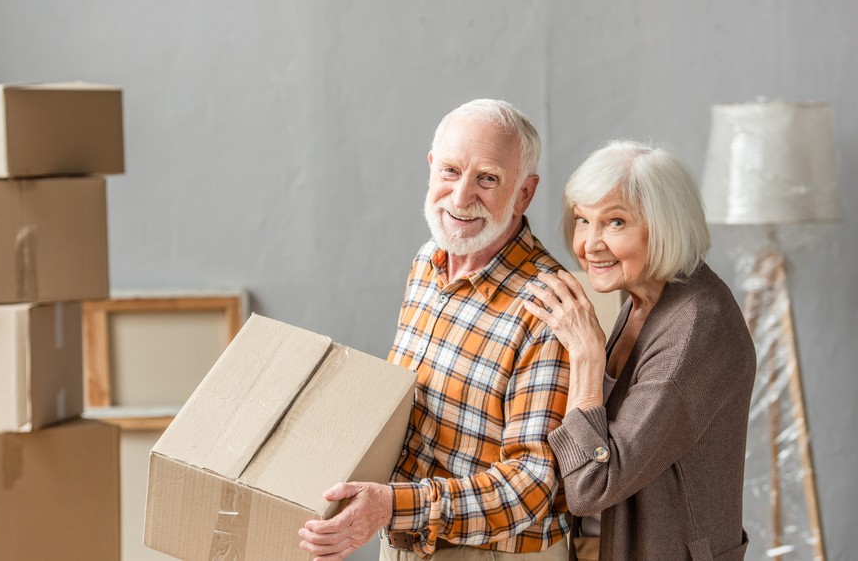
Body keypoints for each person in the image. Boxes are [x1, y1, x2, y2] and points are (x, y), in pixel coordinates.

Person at [298, 98, 571, 561]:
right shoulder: (429, 260)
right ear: (431, 168)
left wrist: (390, 506)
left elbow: (531, 485)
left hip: (492, 554)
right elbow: (412, 408)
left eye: (488, 179)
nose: (461, 198)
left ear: (524, 193)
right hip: (403, 537)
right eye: (450, 171)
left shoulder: (548, 306)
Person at [521, 140, 755, 561]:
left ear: (666, 226)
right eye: (582, 220)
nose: (590, 244)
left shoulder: (696, 328)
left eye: (615, 222)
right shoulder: (645, 296)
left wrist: (588, 357)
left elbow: (593, 485)